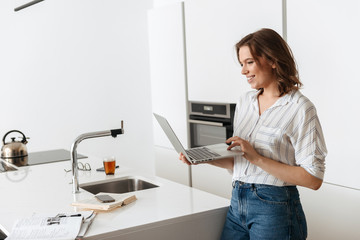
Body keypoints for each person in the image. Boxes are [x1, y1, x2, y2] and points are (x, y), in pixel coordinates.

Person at [179, 28, 327, 240]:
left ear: (273, 60)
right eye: (241, 64)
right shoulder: (245, 102)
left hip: (275, 209)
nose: (243, 71)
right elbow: (241, 163)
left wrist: (257, 158)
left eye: (249, 62)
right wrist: (203, 159)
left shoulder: (300, 108)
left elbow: (313, 179)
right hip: (237, 201)